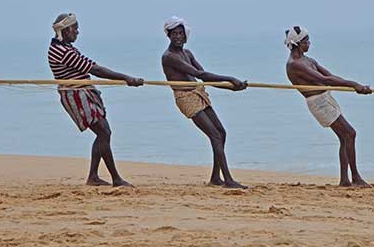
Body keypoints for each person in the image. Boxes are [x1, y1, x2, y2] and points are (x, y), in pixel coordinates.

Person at [48, 13, 143, 187]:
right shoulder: (63, 51)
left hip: (82, 93)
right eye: (75, 28)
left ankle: (94, 176)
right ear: (66, 30)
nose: (78, 31)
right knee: (104, 132)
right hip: (77, 96)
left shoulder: (61, 46)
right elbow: (95, 69)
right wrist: (127, 78)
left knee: (103, 133)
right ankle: (115, 178)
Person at [161, 16, 248, 189]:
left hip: (198, 93)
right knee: (214, 135)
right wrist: (231, 78)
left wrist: (231, 87)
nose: (178, 36)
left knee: (221, 133)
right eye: (174, 34)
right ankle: (228, 180)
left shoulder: (187, 53)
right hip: (186, 98)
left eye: (181, 33)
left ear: (186, 35)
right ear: (168, 36)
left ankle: (216, 177)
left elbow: (203, 76)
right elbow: (200, 75)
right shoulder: (169, 57)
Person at [284, 25, 372, 187]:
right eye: (306, 41)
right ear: (298, 43)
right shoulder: (295, 64)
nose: (309, 43)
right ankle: (355, 178)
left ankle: (345, 180)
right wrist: (354, 84)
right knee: (350, 134)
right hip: (318, 103)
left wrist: (356, 87)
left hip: (326, 98)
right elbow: (324, 81)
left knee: (345, 137)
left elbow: (330, 76)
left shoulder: (308, 60)